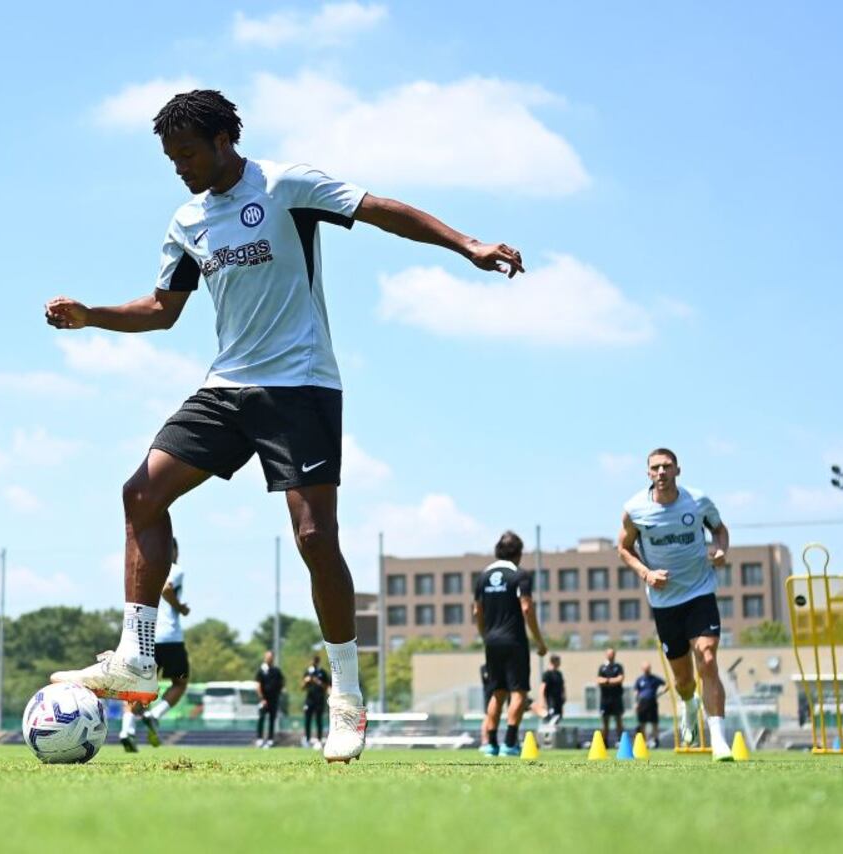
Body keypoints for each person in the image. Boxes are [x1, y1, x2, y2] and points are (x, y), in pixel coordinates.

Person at [44, 89, 525, 764]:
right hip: (227, 386)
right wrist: (92, 314)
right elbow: (162, 308)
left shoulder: (287, 185)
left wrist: (466, 244)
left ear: (222, 141)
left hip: (300, 385)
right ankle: (136, 656)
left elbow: (383, 210)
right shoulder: (186, 220)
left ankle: (349, 701)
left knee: (313, 537)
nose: (179, 167)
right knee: (140, 494)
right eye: (169, 157)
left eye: (187, 153)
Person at [618, 447, 735, 761]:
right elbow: (624, 548)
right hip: (665, 602)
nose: (661, 473)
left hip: (700, 591)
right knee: (683, 681)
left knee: (707, 658)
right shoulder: (634, 509)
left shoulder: (697, 501)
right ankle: (688, 704)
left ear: (677, 471)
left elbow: (720, 530)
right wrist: (646, 573)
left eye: (666, 467)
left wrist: (721, 551)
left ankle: (719, 740)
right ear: (648, 474)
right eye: (655, 468)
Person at [472, 531, 547, 757]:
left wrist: (485, 636)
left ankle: (491, 744)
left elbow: (477, 611)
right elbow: (527, 607)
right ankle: (510, 743)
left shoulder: (483, 576)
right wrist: (538, 640)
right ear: (519, 553)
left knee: (498, 691)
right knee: (519, 692)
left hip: (491, 641)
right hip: (514, 640)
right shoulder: (520, 575)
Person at [119, 538, 191, 752]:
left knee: (138, 686)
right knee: (180, 683)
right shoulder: (174, 569)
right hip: (169, 637)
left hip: (144, 635)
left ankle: (127, 730)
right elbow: (167, 589)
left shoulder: (145, 569)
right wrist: (180, 608)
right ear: (173, 551)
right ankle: (154, 715)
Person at [255, 650, 284, 748]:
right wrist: (262, 698)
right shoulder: (261, 671)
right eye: (267, 657)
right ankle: (259, 739)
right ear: (265, 658)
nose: (269, 659)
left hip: (274, 699)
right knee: (261, 718)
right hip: (264, 700)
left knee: (272, 719)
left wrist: (279, 693)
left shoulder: (276, 671)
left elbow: (282, 683)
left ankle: (270, 739)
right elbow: (258, 685)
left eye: (271, 657)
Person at [633, 661, 667, 747]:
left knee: (654, 722)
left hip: (652, 702)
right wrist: (636, 703)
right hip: (642, 703)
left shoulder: (654, 679)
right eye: (645, 668)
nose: (646, 670)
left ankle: (656, 741)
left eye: (648, 668)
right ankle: (643, 742)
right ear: (642, 669)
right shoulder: (639, 680)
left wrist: (661, 693)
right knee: (642, 723)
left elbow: (666, 684)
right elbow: (636, 692)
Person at [597, 648, 625, 746]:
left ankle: (620, 742)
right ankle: (604, 743)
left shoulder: (618, 667)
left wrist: (607, 681)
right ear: (606, 655)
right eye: (609, 654)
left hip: (616, 698)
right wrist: (611, 681)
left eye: (612, 654)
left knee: (619, 721)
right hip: (605, 699)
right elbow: (599, 680)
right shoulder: (602, 667)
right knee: (605, 722)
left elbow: (620, 679)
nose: (610, 655)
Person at [301, 655, 330, 748]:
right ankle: (307, 739)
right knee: (307, 719)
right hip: (309, 700)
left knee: (319, 720)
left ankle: (319, 740)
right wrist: (306, 681)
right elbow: (302, 687)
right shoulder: (308, 672)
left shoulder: (322, 672)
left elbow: (327, 687)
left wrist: (318, 682)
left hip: (319, 699)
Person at [541, 655, 565, 725]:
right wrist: (543, 701)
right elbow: (542, 688)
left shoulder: (559, 674)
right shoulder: (547, 674)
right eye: (558, 661)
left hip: (559, 700)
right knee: (552, 717)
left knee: (558, 717)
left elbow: (562, 686)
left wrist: (564, 696)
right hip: (551, 701)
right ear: (554, 662)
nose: (560, 663)